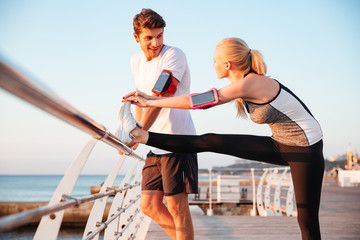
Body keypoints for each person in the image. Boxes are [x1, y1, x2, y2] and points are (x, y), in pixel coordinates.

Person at [120, 37, 324, 240]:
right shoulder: (245, 83)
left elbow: (200, 101)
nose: (213, 64)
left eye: (214, 60)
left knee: (307, 220)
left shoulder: (251, 83)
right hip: (280, 143)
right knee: (210, 141)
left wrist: (151, 101)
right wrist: (152, 100)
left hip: (305, 147)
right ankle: (143, 136)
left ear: (227, 64)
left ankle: (142, 135)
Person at [117, 8, 198, 240]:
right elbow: (145, 101)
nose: (156, 42)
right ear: (137, 38)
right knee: (149, 205)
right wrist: (134, 128)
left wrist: (139, 133)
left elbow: (160, 97)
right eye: (149, 37)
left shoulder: (174, 55)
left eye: (160, 35)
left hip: (178, 140)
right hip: (154, 142)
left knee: (176, 207)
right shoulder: (135, 60)